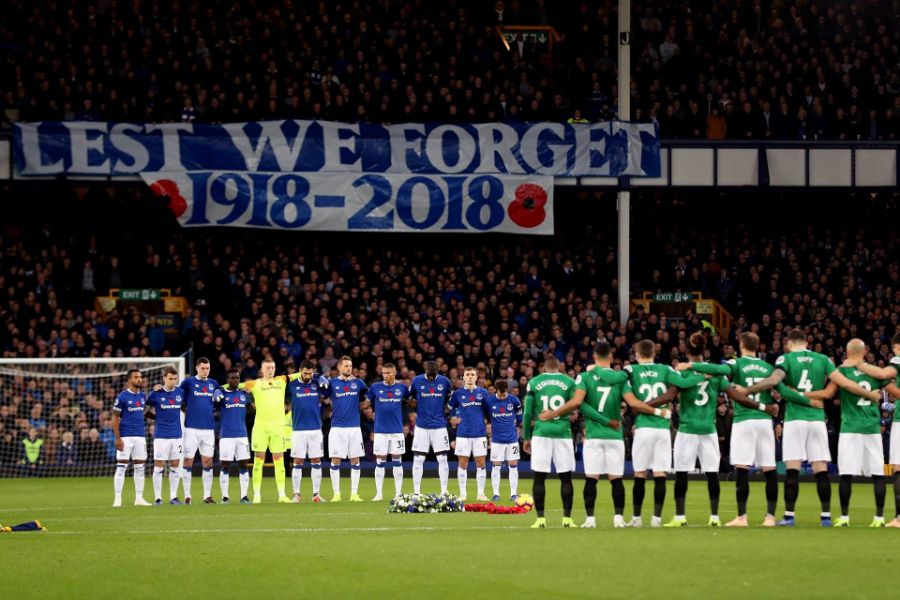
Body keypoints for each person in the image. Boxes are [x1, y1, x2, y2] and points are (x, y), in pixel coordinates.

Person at [741, 328, 882, 526]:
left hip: (795, 419)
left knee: (792, 469)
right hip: (817, 420)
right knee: (821, 468)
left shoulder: (785, 359)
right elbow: (846, 384)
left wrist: (746, 390)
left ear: (789, 344)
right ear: (806, 342)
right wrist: (871, 395)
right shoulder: (823, 359)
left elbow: (775, 383)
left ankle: (789, 516)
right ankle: (825, 517)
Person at [542, 341, 666, 528]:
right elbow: (633, 402)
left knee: (591, 478)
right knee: (616, 478)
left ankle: (590, 520)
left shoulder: (584, 377)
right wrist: (658, 412)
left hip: (593, 435)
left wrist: (553, 413)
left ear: (594, 357)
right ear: (611, 357)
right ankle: (618, 519)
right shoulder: (620, 379)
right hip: (615, 435)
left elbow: (577, 403)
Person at [681, 332, 798, 527]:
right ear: (757, 345)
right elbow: (784, 391)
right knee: (769, 468)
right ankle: (769, 517)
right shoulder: (769, 367)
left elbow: (718, 369)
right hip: (764, 421)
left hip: (744, 420)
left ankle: (742, 517)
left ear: (741, 344)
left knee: (742, 468)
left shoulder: (736, 364)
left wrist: (692, 365)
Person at [667, 333, 768, 527]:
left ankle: (680, 517)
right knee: (712, 473)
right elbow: (736, 396)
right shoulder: (716, 374)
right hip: (709, 429)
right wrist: (762, 407)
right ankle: (714, 517)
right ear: (703, 351)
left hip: (687, 428)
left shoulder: (683, 372)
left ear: (687, 351)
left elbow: (672, 393)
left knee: (681, 473)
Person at [623, 339, 703, 527]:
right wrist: (703, 377)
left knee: (640, 473)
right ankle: (656, 519)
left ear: (636, 355)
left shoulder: (630, 370)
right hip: (662, 429)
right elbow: (684, 383)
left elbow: (618, 381)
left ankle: (636, 518)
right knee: (660, 474)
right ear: (654, 353)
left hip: (643, 426)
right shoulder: (666, 369)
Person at [828, 339, 890, 527]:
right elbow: (889, 389)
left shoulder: (842, 371)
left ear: (847, 353)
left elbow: (830, 392)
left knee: (846, 473)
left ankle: (845, 517)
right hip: (871, 427)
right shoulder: (875, 372)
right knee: (878, 474)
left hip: (850, 428)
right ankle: (879, 518)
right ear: (864, 352)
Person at [848, 333, 900, 526]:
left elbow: (883, 374)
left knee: (898, 468)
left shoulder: (897, 359)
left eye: (894, 349)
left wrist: (858, 363)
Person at [523, 355, 577, 528]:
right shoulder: (570, 382)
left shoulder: (534, 382)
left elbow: (527, 413)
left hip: (541, 432)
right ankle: (567, 520)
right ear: (560, 366)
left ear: (544, 367)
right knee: (566, 478)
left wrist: (526, 436)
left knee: (539, 477)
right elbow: (576, 405)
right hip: (563, 432)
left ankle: (540, 520)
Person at [239, 358, 301, 504]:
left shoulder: (281, 380)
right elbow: (236, 385)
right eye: (268, 368)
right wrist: (218, 389)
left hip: (277, 428)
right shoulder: (255, 383)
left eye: (272, 367)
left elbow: (297, 375)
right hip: (260, 428)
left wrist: (312, 374)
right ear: (262, 370)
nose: (271, 370)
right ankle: (256, 495)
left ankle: (281, 495)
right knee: (258, 461)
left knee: (279, 461)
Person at [286, 359, 331, 503]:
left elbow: (328, 392)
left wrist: (319, 377)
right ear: (300, 371)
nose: (308, 376)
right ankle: (296, 494)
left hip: (315, 429)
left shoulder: (316, 383)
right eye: (305, 373)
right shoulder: (292, 385)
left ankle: (316, 495)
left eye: (310, 373)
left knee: (316, 460)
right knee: (298, 461)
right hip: (298, 429)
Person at [326, 356, 369, 502]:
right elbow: (323, 395)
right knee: (335, 460)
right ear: (339, 368)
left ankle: (354, 494)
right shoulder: (332, 383)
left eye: (350, 366)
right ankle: (336, 494)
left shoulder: (358, 383)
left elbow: (366, 396)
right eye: (345, 366)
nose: (348, 368)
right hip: (337, 428)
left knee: (355, 460)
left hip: (354, 428)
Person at [366, 363, 409, 501]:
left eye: (389, 373)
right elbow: (369, 402)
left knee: (397, 461)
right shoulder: (375, 387)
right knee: (380, 461)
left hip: (396, 430)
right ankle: (379, 493)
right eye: (384, 373)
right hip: (380, 431)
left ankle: (398, 493)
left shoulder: (402, 387)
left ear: (395, 372)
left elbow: (408, 402)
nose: (386, 375)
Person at [179, 357, 219, 504]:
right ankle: (187, 495)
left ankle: (207, 495)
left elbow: (218, 401)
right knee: (188, 460)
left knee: (207, 461)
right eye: (203, 368)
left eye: (207, 368)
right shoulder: (188, 382)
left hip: (208, 429)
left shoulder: (213, 384)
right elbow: (178, 398)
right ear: (197, 368)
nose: (205, 371)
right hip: (191, 429)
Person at [409, 361, 452, 495]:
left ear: (437, 371)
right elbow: (411, 398)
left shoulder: (445, 381)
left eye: (434, 374)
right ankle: (416, 492)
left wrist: (444, 412)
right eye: (430, 374)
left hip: (439, 426)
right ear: (425, 371)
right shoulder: (417, 380)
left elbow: (448, 401)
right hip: (422, 427)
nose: (432, 377)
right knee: (418, 459)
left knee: (442, 459)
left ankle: (444, 491)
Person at [449, 366, 491, 501]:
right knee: (463, 462)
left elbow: (488, 411)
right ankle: (463, 494)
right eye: (467, 375)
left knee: (481, 462)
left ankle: (481, 494)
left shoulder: (483, 393)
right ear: (464, 377)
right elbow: (449, 409)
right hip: (463, 433)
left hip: (479, 433)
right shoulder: (457, 393)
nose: (470, 377)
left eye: (472, 374)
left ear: (476, 377)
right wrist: (452, 418)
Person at [146, 366, 185, 505]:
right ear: (164, 379)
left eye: (175, 379)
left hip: (177, 435)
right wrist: (156, 419)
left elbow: (185, 407)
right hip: (161, 436)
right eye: (170, 379)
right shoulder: (155, 394)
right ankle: (158, 498)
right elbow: (145, 409)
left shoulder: (181, 392)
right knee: (159, 466)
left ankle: (173, 497)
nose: (172, 381)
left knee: (175, 465)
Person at [112, 369, 150, 507]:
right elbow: (115, 418)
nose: (139, 379)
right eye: (136, 377)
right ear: (129, 380)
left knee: (140, 468)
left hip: (140, 436)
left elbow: (144, 413)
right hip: (126, 437)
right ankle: (117, 499)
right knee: (121, 467)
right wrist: (117, 438)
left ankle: (139, 498)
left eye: (140, 377)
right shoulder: (122, 397)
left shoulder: (142, 396)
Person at [215, 367, 253, 504]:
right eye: (232, 377)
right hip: (226, 436)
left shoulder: (244, 395)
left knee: (243, 465)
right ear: (227, 380)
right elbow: (213, 406)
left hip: (242, 435)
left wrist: (252, 396)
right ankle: (225, 496)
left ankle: (244, 496)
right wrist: (217, 391)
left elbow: (251, 411)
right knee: (225, 465)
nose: (235, 380)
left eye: (237, 377)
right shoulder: (221, 394)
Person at [487, 379, 522, 502]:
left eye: (504, 394)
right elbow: (486, 415)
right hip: (497, 440)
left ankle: (513, 494)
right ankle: (496, 493)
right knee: (496, 466)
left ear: (507, 390)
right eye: (500, 395)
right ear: (496, 390)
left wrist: (517, 424)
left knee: (513, 465)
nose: (502, 397)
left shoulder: (514, 400)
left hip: (512, 438)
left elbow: (519, 416)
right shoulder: (489, 401)